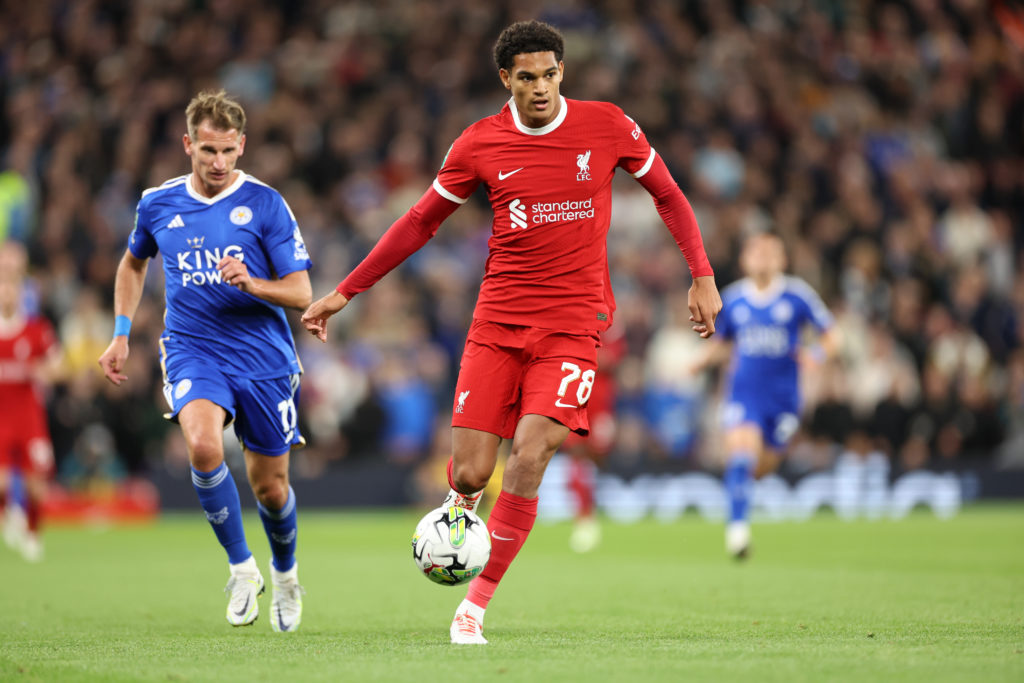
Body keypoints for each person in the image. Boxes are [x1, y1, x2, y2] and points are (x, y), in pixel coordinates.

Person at [301, 21, 722, 644]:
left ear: (562, 73)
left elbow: (668, 193)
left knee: (530, 454)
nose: (542, 87)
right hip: (497, 325)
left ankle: (473, 606)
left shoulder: (606, 125)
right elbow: (419, 222)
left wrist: (702, 274)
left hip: (573, 328)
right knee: (471, 473)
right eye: (527, 77)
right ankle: (459, 517)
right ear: (507, 79)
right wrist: (345, 292)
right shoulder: (479, 143)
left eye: (550, 74)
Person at [97, 90, 313, 631]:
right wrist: (121, 334)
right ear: (188, 144)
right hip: (194, 347)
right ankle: (241, 569)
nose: (218, 164)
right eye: (207, 151)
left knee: (271, 488)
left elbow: (303, 292)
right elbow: (132, 265)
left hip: (262, 357)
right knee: (201, 444)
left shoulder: (265, 203)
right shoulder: (158, 203)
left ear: (242, 146)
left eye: (227, 152)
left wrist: (253, 282)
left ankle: (284, 575)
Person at [698, 232, 838, 559]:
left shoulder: (797, 296)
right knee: (740, 455)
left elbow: (833, 335)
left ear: (782, 260)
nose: (762, 257)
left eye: (770, 252)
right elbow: (724, 345)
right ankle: (737, 532)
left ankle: (742, 502)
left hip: (784, 400)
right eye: (756, 251)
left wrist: (816, 354)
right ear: (745, 260)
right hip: (744, 395)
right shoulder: (732, 299)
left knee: (761, 468)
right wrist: (700, 360)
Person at [0, 241, 61, 562]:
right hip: (1, 415)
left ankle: (33, 533)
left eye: (11, 288)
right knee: (1, 480)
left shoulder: (35, 329)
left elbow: (58, 366)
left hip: (28, 414)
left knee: (37, 486)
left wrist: (44, 371)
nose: (6, 294)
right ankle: (8, 515)